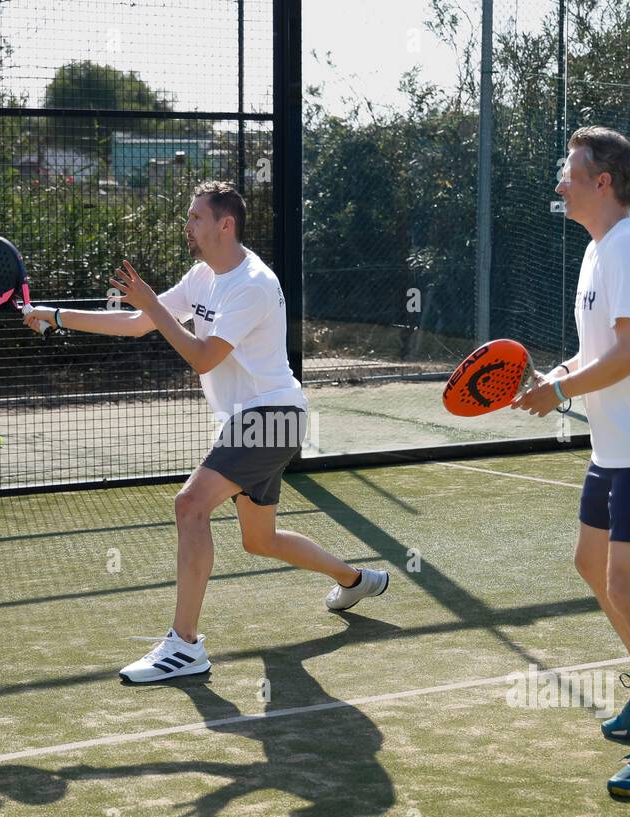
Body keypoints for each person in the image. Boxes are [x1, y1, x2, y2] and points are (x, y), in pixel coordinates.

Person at [23, 181, 388, 683]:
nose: (188, 224)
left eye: (196, 217)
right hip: (251, 420)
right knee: (260, 541)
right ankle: (356, 579)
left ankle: (185, 645)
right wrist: (57, 314)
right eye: (189, 215)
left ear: (225, 224)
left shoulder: (252, 284)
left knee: (189, 505)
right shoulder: (203, 275)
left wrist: (153, 306)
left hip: (272, 415)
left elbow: (201, 357)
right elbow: (136, 324)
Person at [512, 127, 630, 797]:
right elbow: (598, 349)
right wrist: (553, 376)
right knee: (591, 566)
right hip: (618, 445)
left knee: (627, 585)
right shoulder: (599, 253)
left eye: (569, 170)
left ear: (603, 182)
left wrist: (561, 390)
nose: (559, 182)